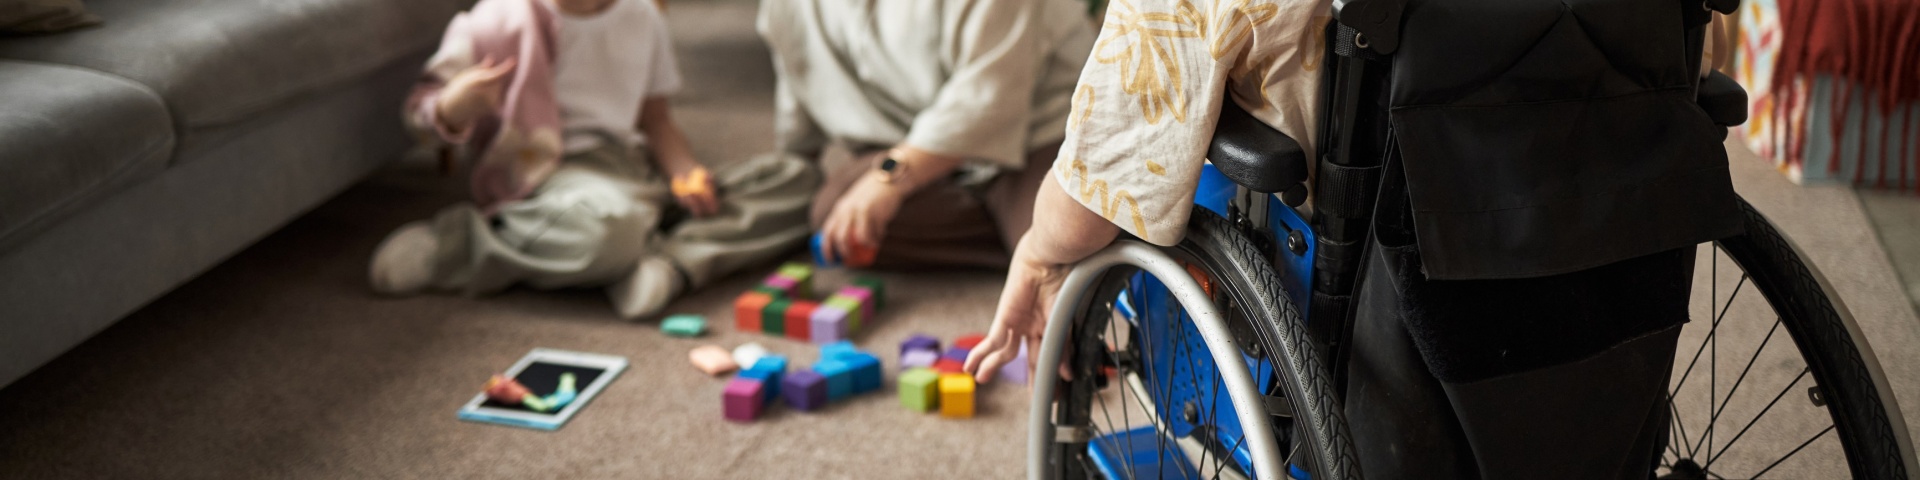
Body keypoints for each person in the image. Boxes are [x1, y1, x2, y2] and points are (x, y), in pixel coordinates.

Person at [965, 1, 1740, 478]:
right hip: (1614, 278)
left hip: (1398, 309)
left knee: (1170, 162)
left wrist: (1039, 252)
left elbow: (1112, 153)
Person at [369, 0, 818, 319]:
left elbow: (656, 119)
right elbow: (419, 115)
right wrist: (453, 105)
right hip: (549, 179)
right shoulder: (494, 20)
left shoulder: (642, 14)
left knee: (800, 179)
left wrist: (684, 170)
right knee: (610, 227)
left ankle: (669, 263)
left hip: (634, 172)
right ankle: (460, 248)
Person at [756, 0, 1095, 268]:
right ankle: (1020, 230)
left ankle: (1038, 230)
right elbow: (799, 71)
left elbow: (986, 96)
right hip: (915, 136)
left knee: (1063, 264)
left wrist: (888, 179)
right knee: (835, 215)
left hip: (1040, 129)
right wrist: (793, 167)